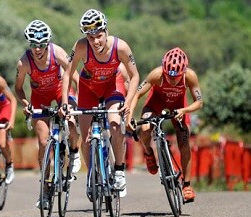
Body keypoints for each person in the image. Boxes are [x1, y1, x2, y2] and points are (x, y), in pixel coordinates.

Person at [61, 9, 140, 198]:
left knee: (115, 124)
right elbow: (67, 73)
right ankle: (92, 176)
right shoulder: (80, 47)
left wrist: (128, 102)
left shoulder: (121, 47)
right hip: (89, 89)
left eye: (99, 36)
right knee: (86, 138)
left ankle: (119, 171)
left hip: (113, 86)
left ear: (106, 31)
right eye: (90, 38)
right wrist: (65, 102)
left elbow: (135, 75)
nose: (95, 42)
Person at [14, 19, 81, 208]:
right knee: (43, 142)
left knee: (71, 121)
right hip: (39, 97)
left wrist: (73, 103)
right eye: (33, 45)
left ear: (47, 43)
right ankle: (44, 191)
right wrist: (26, 103)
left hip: (62, 91)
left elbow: (75, 77)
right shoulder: (24, 63)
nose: (37, 49)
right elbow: (18, 88)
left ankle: (74, 152)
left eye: (41, 44)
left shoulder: (58, 53)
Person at [129, 47, 203, 202]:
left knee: (184, 141)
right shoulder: (156, 74)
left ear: (184, 71)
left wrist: (184, 110)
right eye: (169, 75)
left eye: (176, 77)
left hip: (179, 106)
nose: (172, 79)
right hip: (155, 103)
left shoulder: (190, 77)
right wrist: (129, 116)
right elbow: (137, 94)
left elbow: (199, 103)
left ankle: (187, 185)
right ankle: (149, 152)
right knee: (145, 128)